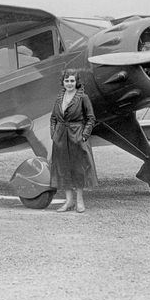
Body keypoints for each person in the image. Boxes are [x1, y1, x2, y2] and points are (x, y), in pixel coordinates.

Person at [49, 69, 98, 213]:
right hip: (60, 136)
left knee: (79, 168)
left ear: (76, 82)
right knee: (63, 168)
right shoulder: (59, 97)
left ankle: (80, 201)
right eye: (66, 81)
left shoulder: (83, 97)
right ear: (63, 82)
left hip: (77, 134)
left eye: (72, 81)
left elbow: (91, 118)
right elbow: (53, 118)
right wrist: (54, 134)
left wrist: (84, 135)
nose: (69, 84)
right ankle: (69, 202)